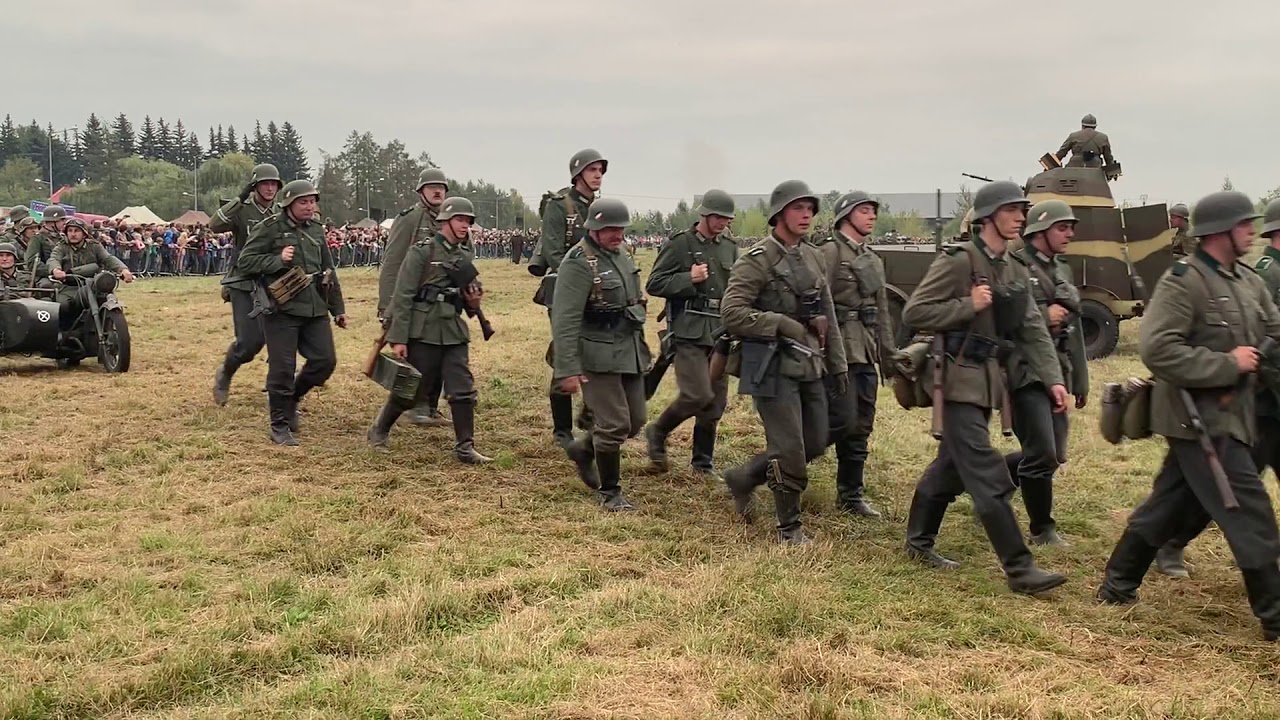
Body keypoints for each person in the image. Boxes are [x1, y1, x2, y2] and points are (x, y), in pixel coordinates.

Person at [1096, 191, 1280, 642]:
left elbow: (1273, 331)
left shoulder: (1247, 282)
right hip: (1196, 417)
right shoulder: (1184, 281)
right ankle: (1275, 615)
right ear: (1219, 232)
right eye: (1244, 225)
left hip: (1233, 414)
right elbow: (1158, 350)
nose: (1252, 232)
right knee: (1249, 513)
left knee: (1170, 503)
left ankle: (1117, 584)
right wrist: (1227, 364)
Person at [901, 180, 1068, 596]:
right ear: (989, 216)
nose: (1020, 217)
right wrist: (967, 306)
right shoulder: (961, 260)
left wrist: (1053, 380)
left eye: (1022, 210)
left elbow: (1032, 328)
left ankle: (918, 542)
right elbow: (915, 309)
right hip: (956, 377)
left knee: (951, 466)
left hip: (988, 380)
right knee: (988, 472)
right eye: (1012, 209)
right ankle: (1019, 568)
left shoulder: (1013, 267)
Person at [1153, 196, 1280, 579]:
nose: (1250, 232)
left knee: (1206, 488)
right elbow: (1257, 338)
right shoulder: (1266, 273)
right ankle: (1170, 543)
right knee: (1217, 491)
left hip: (1260, 396)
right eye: (1245, 225)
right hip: (1253, 400)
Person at [720, 180, 847, 545]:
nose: (806, 215)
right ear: (779, 214)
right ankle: (788, 527)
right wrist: (780, 324)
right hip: (771, 367)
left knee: (816, 441)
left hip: (809, 363)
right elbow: (732, 314)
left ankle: (744, 478)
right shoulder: (757, 260)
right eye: (798, 208)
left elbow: (828, 314)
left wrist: (837, 364)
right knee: (789, 448)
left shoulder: (813, 256)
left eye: (810, 209)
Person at [368, 197, 491, 464]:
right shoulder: (422, 252)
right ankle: (380, 428)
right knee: (412, 389)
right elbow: (402, 296)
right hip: (423, 329)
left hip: (452, 328)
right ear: (444, 221)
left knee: (462, 389)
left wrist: (473, 302)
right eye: (460, 220)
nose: (465, 226)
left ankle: (465, 447)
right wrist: (399, 338)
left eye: (468, 221)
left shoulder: (464, 255)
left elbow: (468, 297)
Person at [551, 197, 650, 511]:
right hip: (596, 352)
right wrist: (567, 369)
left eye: (620, 228)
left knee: (635, 421)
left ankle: (584, 449)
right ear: (593, 228)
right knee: (614, 424)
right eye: (609, 228)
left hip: (628, 347)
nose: (616, 234)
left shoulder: (621, 255)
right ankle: (610, 493)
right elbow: (564, 319)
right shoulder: (578, 262)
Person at [237, 180, 347, 446]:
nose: (310, 207)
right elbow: (245, 261)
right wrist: (277, 260)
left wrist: (338, 309)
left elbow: (328, 269)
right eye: (303, 202)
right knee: (282, 368)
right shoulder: (270, 228)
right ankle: (279, 424)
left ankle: (292, 398)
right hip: (282, 308)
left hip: (314, 307)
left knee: (325, 361)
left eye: (312, 202)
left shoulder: (317, 231)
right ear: (289, 204)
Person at [1004, 200, 1089, 546]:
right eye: (1061, 227)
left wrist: (1080, 380)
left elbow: (1076, 329)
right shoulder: (1015, 266)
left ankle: (992, 484)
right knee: (1041, 453)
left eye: (1071, 227)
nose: (1069, 233)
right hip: (1024, 371)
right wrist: (1043, 312)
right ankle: (1042, 528)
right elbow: (1007, 318)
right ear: (1039, 230)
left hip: (1057, 369)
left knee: (1055, 453)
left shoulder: (1062, 270)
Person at [643, 189, 737, 477]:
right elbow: (655, 283)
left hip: (719, 331)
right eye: (718, 217)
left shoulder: (730, 247)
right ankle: (658, 431)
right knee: (697, 394)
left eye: (727, 218)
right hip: (688, 328)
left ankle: (702, 463)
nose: (722, 223)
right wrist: (688, 278)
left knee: (715, 402)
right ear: (704, 215)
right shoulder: (680, 244)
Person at [813, 191, 896, 518]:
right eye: (864, 211)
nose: (871, 216)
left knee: (862, 422)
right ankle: (779, 466)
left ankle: (850, 494)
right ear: (846, 216)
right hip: (838, 350)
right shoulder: (829, 253)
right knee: (839, 421)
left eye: (873, 211)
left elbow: (883, 312)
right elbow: (819, 302)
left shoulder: (873, 259)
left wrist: (888, 354)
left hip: (865, 348)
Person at [531, 149, 607, 450]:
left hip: (597, 292)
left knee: (597, 351)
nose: (598, 174)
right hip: (563, 289)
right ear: (578, 174)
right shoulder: (558, 205)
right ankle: (562, 430)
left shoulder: (600, 207)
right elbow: (552, 251)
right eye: (592, 170)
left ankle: (591, 414)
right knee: (566, 354)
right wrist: (582, 278)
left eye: (601, 169)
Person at [379, 168, 451, 427]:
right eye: (431, 187)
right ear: (421, 191)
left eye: (441, 187)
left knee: (442, 352)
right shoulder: (410, 219)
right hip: (412, 300)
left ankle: (430, 406)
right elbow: (392, 263)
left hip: (440, 303)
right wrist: (387, 306)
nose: (437, 191)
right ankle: (412, 407)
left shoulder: (449, 220)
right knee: (417, 357)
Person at [210, 163, 283, 406]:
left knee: (282, 334)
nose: (270, 188)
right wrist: (239, 199)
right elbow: (215, 225)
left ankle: (279, 386)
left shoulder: (282, 212)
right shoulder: (242, 209)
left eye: (274, 184)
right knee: (249, 343)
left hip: (275, 279)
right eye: (265, 183)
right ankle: (225, 374)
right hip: (243, 280)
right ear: (254, 186)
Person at [46, 218, 134, 322]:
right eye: (70, 231)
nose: (73, 234)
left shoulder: (94, 246)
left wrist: (123, 270)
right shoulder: (61, 246)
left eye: (76, 231)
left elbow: (108, 258)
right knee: (63, 306)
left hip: (94, 284)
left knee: (107, 298)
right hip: (69, 287)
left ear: (84, 233)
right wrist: (56, 270)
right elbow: (54, 258)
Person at [26, 205, 67, 280]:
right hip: (45, 277)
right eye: (61, 220)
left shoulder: (62, 238)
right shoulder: (37, 239)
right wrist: (52, 270)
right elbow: (32, 263)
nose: (64, 223)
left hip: (65, 275)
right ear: (53, 221)